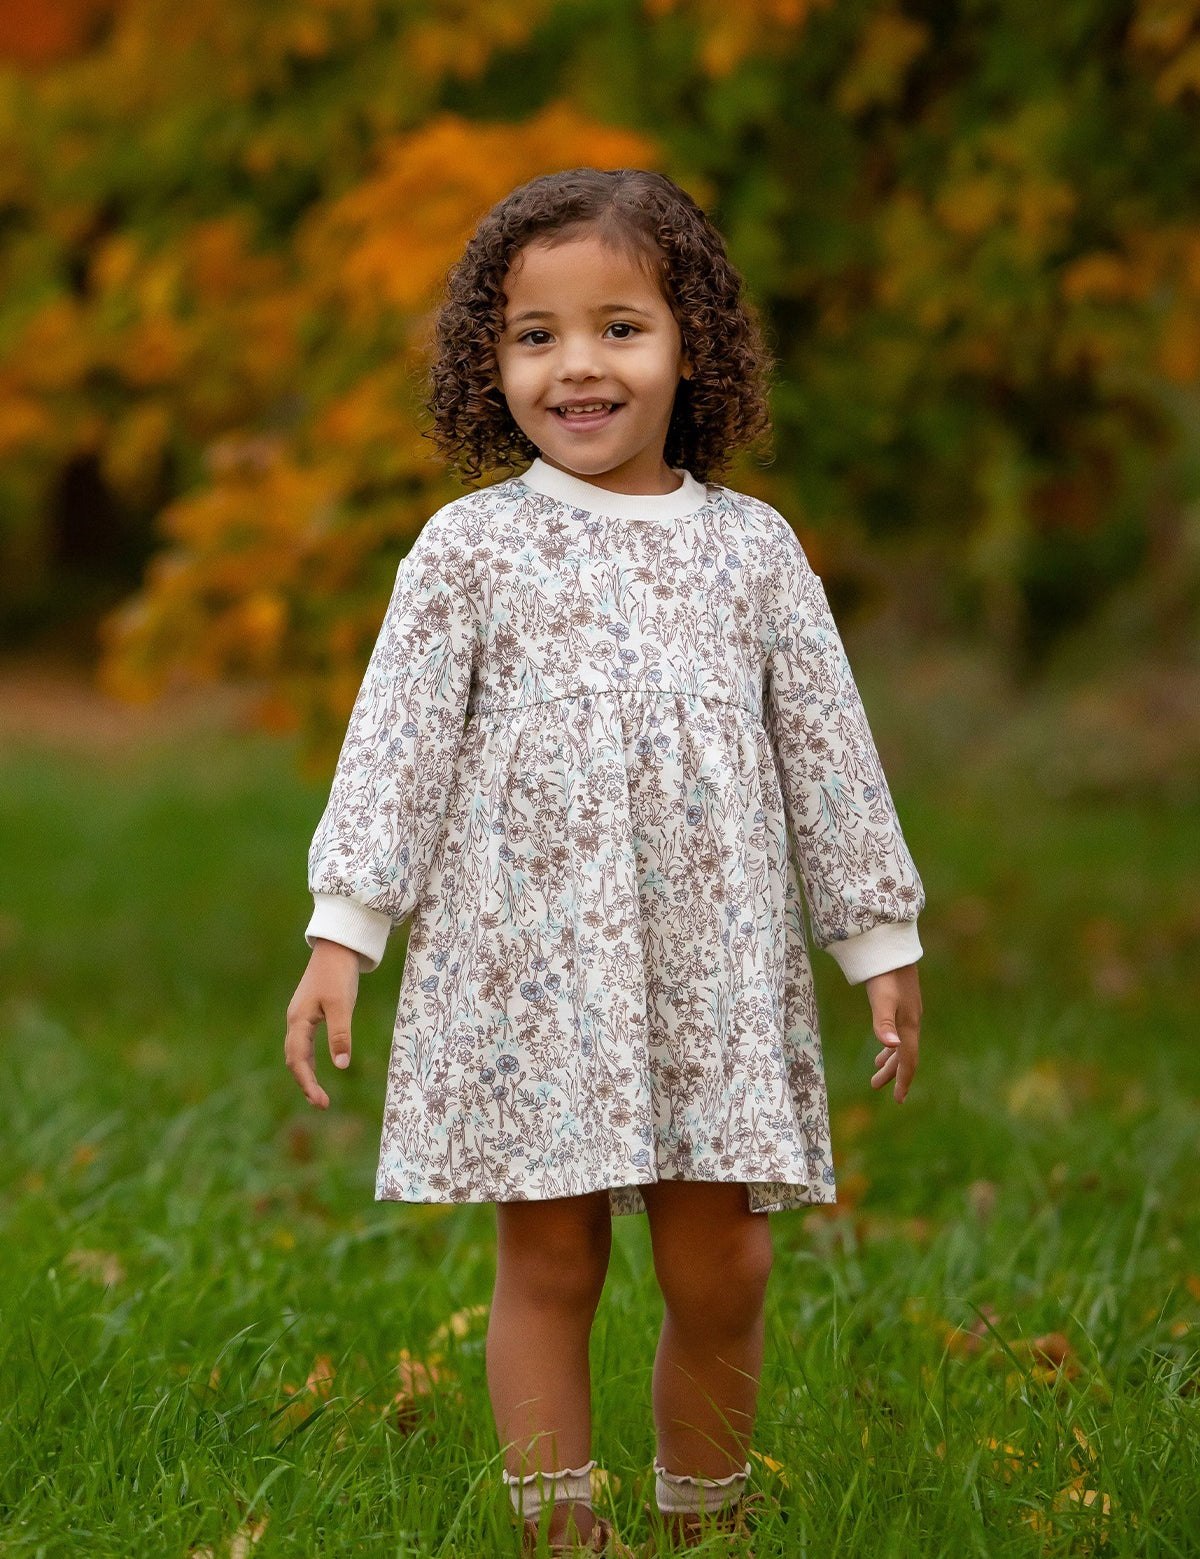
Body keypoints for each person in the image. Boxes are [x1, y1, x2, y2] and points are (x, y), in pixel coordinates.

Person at [284, 167, 925, 1557]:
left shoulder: (752, 551)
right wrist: (346, 932)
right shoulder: (471, 549)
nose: (578, 365)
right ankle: (562, 1535)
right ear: (488, 360)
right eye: (534, 336)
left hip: (713, 974)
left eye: (619, 327)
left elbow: (829, 752)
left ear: (692, 343)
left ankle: (709, 1520)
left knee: (725, 1265)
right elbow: (395, 749)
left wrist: (876, 942)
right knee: (555, 1255)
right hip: (534, 977)